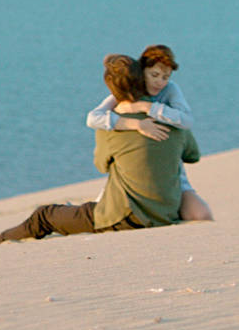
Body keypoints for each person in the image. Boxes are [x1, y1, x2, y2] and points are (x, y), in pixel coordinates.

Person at [0, 54, 201, 246]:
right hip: (166, 212)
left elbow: (101, 165)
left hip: (126, 219)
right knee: (84, 207)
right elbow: (193, 155)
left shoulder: (111, 126)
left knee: (45, 215)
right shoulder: (175, 119)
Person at [85, 44, 213, 222]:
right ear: (141, 72)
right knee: (104, 210)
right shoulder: (124, 92)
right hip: (130, 173)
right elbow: (93, 118)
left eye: (165, 77)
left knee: (201, 216)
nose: (160, 82)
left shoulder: (170, 90)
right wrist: (136, 124)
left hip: (173, 172)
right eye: (154, 75)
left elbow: (187, 121)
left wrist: (147, 107)